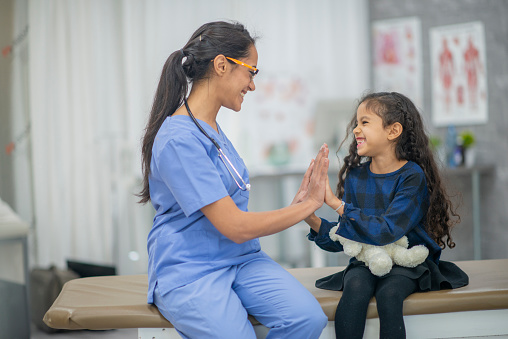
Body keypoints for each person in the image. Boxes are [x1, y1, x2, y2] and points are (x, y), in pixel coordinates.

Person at [138, 21, 329, 339]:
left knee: (307, 319)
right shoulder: (178, 139)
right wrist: (307, 206)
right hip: (190, 269)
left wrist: (298, 206)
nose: (253, 85)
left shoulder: (211, 130)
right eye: (251, 72)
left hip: (241, 260)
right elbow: (235, 226)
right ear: (222, 64)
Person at [302, 92, 469, 339]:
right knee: (355, 287)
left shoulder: (411, 177)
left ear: (393, 131)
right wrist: (310, 216)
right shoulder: (356, 177)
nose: (356, 129)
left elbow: (386, 230)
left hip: (407, 262)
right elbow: (348, 237)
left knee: (389, 294)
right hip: (368, 259)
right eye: (356, 123)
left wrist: (337, 205)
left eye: (365, 122)